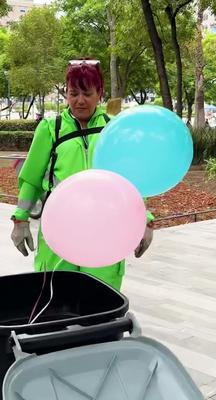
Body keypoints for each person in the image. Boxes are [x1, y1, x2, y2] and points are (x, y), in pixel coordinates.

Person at [10, 59, 154, 291]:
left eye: (87, 93)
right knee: (55, 298)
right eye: (73, 93)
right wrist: (20, 219)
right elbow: (31, 178)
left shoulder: (112, 128)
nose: (79, 100)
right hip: (59, 228)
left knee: (102, 298)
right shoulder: (51, 128)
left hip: (107, 228)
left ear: (100, 93)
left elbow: (131, 179)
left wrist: (144, 220)